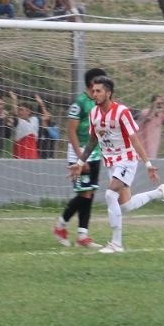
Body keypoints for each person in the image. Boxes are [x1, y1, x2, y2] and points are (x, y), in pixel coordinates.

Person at [68, 76, 164, 253]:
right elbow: (93, 140)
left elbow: (134, 138)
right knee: (125, 205)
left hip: (126, 159)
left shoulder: (121, 112)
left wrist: (148, 164)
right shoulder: (94, 113)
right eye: (93, 91)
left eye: (98, 91)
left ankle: (116, 244)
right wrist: (80, 162)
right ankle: (159, 192)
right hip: (111, 163)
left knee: (110, 195)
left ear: (108, 93)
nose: (94, 94)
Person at [54, 68, 107, 248]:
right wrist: (79, 159)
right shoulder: (80, 103)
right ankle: (60, 225)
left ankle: (82, 236)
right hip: (79, 152)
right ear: (92, 83)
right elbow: (71, 131)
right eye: (101, 82)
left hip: (95, 152)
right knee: (84, 193)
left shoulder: (99, 103)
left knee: (89, 193)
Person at [136, 94, 164, 160]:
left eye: (162, 103)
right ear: (152, 104)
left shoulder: (160, 116)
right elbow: (149, 118)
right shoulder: (144, 112)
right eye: (158, 103)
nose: (160, 105)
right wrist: (154, 108)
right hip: (140, 150)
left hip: (152, 150)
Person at [10, 92, 40, 159]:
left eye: (22, 110)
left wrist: (40, 103)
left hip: (33, 157)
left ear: (29, 112)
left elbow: (45, 115)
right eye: (19, 110)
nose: (20, 112)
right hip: (20, 157)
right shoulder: (18, 122)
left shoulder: (34, 120)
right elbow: (14, 115)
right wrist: (14, 100)